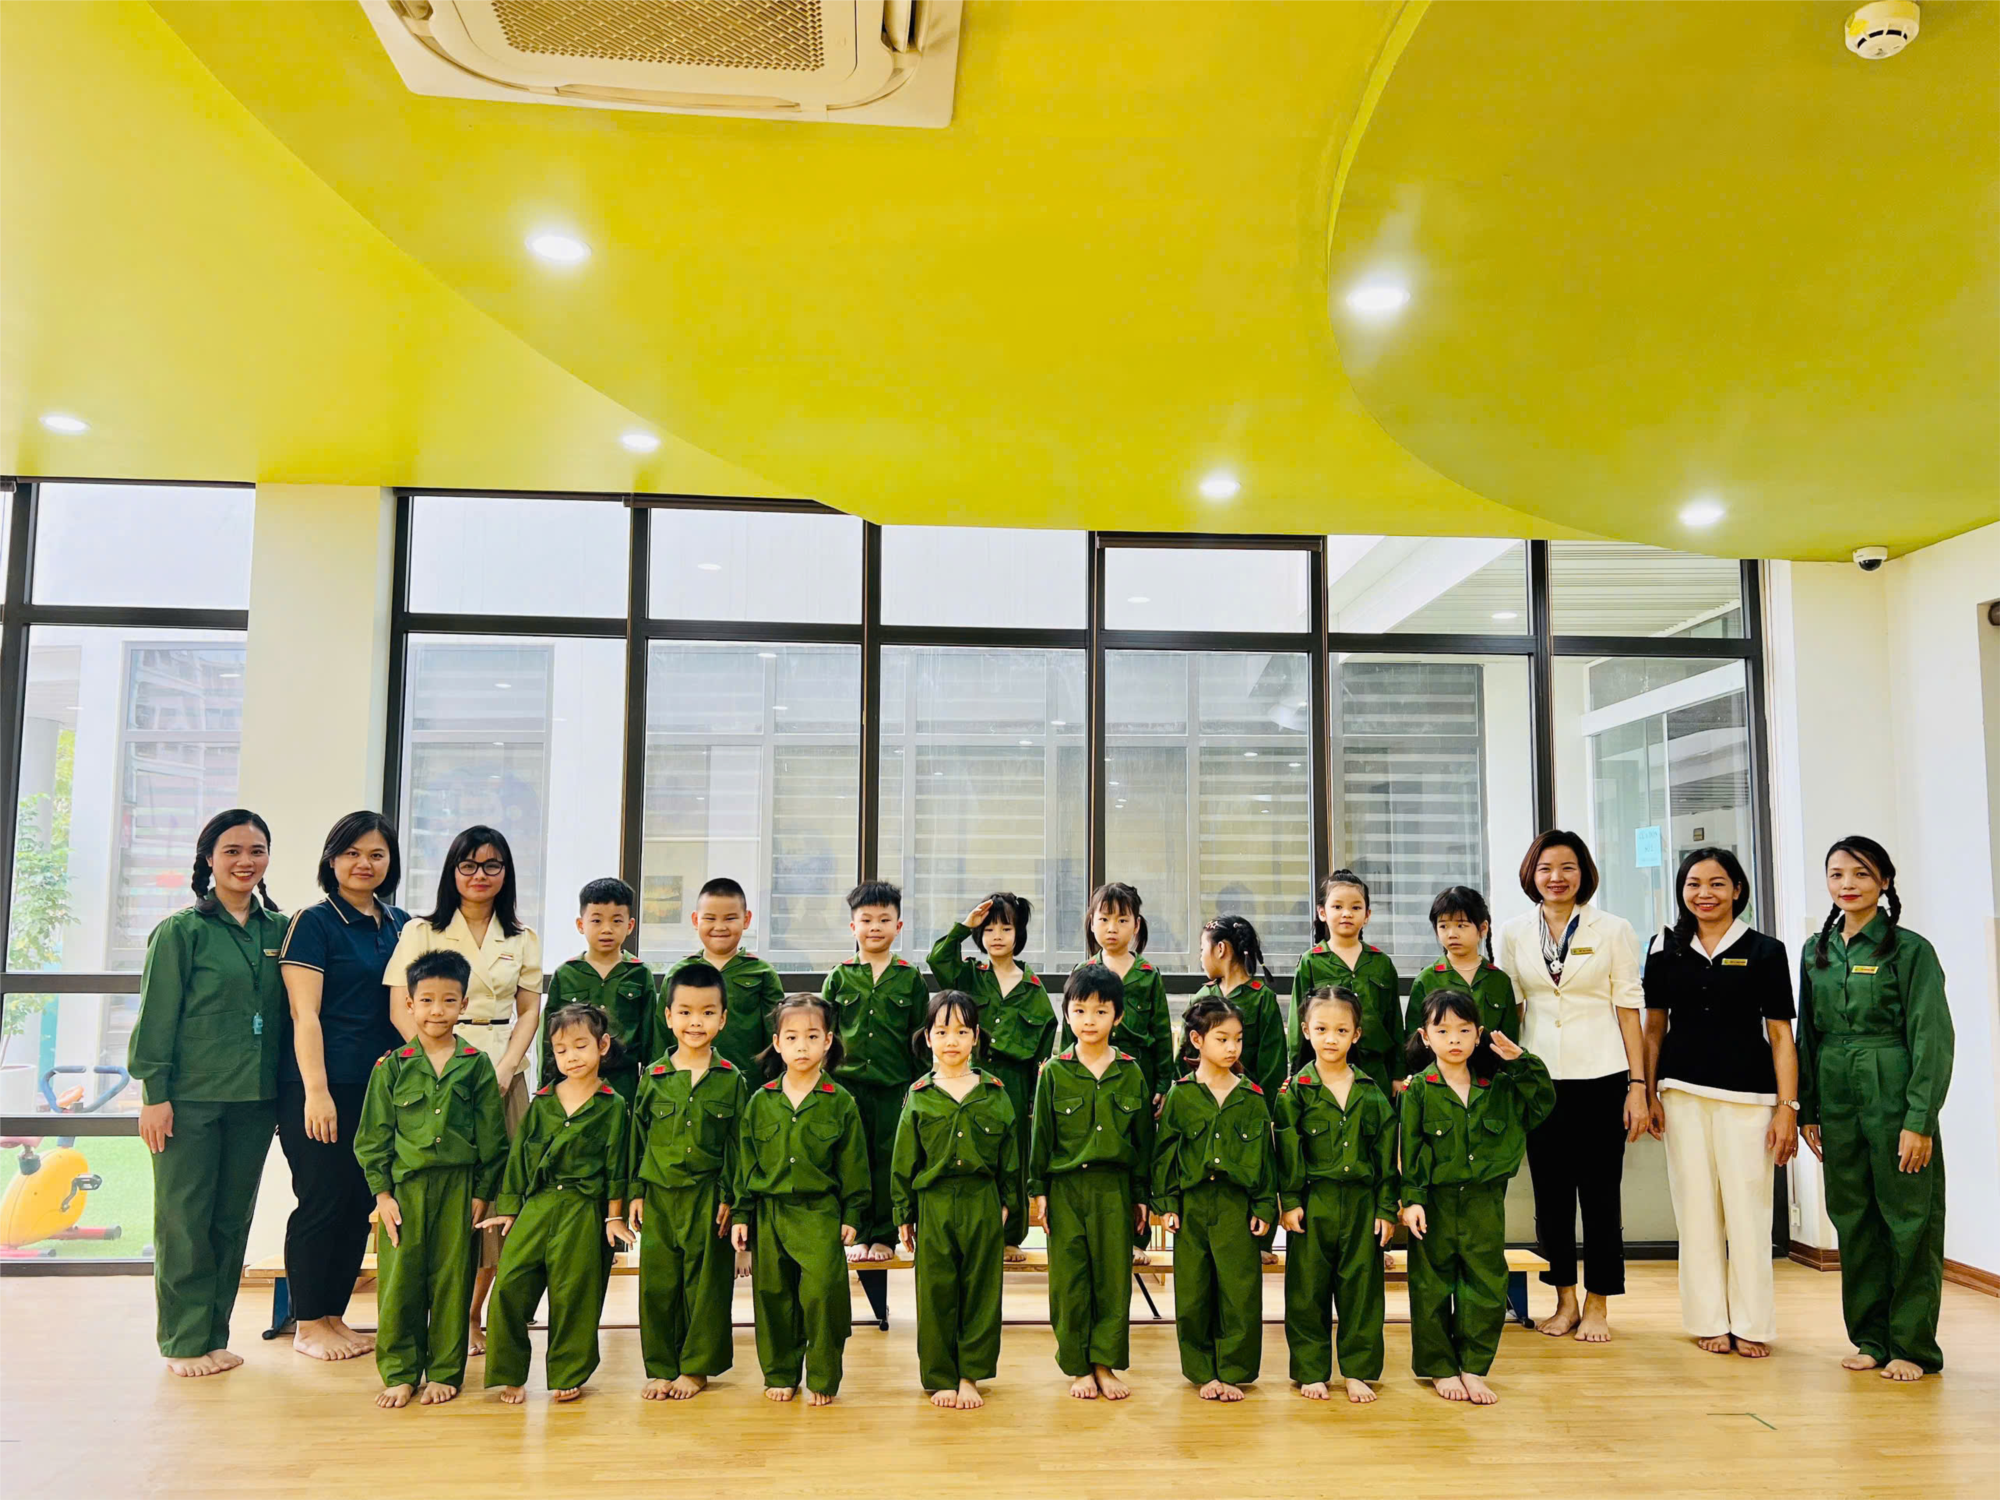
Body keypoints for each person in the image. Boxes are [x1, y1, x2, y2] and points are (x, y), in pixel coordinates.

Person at [128, 809, 287, 1379]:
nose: (246, 861)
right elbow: (157, 1017)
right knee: (184, 1220)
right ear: (208, 860)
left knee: (230, 1221)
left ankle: (213, 1335)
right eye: (232, 851)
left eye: (256, 850)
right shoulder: (181, 931)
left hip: (255, 1099)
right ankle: (182, 1340)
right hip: (187, 1100)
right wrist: (154, 1094)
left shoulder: (281, 930)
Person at [1798, 836, 1953, 1381]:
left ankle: (1912, 1346)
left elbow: (1932, 1037)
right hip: (1836, 1092)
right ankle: (1870, 1338)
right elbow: (1808, 1033)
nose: (1848, 884)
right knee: (1854, 1218)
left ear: (1884, 882)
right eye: (1837, 874)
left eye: (1861, 874)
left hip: (1892, 1089)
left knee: (1909, 1218)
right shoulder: (1815, 951)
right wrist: (1807, 1108)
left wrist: (1920, 1120)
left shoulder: (1910, 950)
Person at [384, 825, 543, 1351]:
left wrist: (508, 1067)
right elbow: (400, 1007)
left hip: (503, 1071)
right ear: (452, 871)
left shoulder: (521, 936)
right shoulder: (422, 931)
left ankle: (472, 1314)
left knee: (499, 1191)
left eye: (492, 865)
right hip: (435, 1074)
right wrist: (438, 1065)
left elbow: (528, 1011)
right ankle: (430, 1315)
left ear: (506, 873)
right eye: (468, 865)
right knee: (440, 1187)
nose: (480, 875)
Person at [1641, 847, 1798, 1358]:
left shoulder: (1766, 950)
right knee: (1695, 1211)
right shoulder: (1663, 948)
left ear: (1737, 890)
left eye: (1716, 883)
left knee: (1749, 1212)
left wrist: (1787, 1108)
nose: (1704, 894)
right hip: (1681, 1095)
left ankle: (1752, 1323)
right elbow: (1653, 1027)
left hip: (1750, 1098)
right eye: (1693, 884)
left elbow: (1781, 1036)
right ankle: (1707, 1319)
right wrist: (1647, 1090)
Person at [1495, 830, 1647, 1342]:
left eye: (1567, 868)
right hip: (1540, 1081)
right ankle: (1563, 1299)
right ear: (1531, 875)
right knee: (1551, 1197)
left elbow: (1629, 1010)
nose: (1556, 878)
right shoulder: (1514, 932)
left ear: (1583, 873)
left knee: (1601, 1196)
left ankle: (1598, 1301)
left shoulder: (1613, 929)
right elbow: (1515, 1009)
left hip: (1603, 1075)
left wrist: (1638, 1085)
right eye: (1545, 868)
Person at [276, 809, 410, 1362]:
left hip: (381, 1088)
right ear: (331, 860)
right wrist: (317, 1091)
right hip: (322, 1086)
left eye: (377, 854)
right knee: (322, 1199)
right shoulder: (314, 922)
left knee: (359, 1202)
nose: (364, 864)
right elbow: (303, 1014)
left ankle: (334, 1315)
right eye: (352, 853)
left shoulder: (401, 924)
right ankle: (308, 1322)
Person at [353, 950, 506, 1408]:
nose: (437, 1010)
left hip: (459, 1190)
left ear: (464, 1005)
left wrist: (483, 1193)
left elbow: (493, 1138)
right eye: (426, 1000)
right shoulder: (392, 1067)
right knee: (399, 1283)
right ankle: (400, 1372)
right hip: (406, 1192)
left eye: (448, 1000)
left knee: (452, 1281)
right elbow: (372, 1138)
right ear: (410, 1004)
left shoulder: (476, 1065)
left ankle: (444, 1372)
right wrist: (382, 1195)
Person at [1400, 990, 1555, 1405]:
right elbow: (1410, 1147)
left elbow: (1542, 1103)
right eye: (1442, 1030)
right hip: (1434, 1203)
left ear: (1479, 1034)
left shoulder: (1499, 1086)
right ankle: (1440, 1367)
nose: (1454, 1039)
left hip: (1484, 1201)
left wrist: (1521, 1062)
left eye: (1464, 1030)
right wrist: (1411, 1199)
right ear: (1425, 1036)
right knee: (1431, 1287)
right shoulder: (1419, 1089)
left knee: (1484, 1285)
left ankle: (1473, 1367)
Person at [478, 1002, 631, 1403]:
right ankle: (510, 1373)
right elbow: (519, 1158)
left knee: (575, 1293)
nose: (571, 1057)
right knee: (509, 1286)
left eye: (580, 1046)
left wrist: (613, 1218)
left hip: (583, 1209)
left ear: (602, 1045)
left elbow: (617, 1165)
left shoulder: (613, 1105)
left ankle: (569, 1372)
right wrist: (510, 1209)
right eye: (561, 1050)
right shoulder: (542, 1102)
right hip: (538, 1205)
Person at [732, 995, 870, 1405]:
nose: (802, 1046)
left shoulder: (841, 1102)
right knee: (773, 1297)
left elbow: (854, 1165)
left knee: (824, 1295)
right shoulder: (761, 1101)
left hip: (819, 1212)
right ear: (777, 1043)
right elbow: (746, 1164)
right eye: (791, 1037)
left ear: (828, 1041)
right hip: (770, 1212)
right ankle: (780, 1373)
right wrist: (741, 1213)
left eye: (812, 1036)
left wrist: (853, 1213)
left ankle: (823, 1377)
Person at [1028, 963, 1155, 1402]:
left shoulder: (1131, 1072)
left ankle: (1104, 1363)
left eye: (1101, 1012)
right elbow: (1041, 1137)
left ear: (1117, 1017)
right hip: (1066, 1190)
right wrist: (1038, 1191)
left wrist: (1141, 1196)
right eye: (1080, 1010)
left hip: (1114, 1189)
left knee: (1112, 1280)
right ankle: (1078, 1365)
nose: (1089, 1021)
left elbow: (1143, 1141)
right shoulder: (1053, 1072)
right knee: (1069, 1281)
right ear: (1066, 1014)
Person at [627, 961, 750, 1401]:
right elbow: (637, 1139)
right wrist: (635, 1192)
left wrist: (731, 1197)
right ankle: (661, 1366)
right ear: (668, 1016)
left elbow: (739, 1146)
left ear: (723, 1019)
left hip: (708, 1197)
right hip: (659, 1195)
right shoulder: (654, 1078)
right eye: (685, 1012)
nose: (695, 1022)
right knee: (657, 1285)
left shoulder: (731, 1079)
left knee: (706, 1285)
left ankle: (697, 1368)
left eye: (707, 1012)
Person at [891, 991, 1020, 1409]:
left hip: (982, 1200)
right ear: (928, 1037)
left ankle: (970, 1375)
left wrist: (1007, 1203)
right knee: (936, 1292)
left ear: (975, 1037)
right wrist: (903, 1213)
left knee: (982, 1290)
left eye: (962, 1031)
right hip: (935, 1202)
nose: (952, 1040)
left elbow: (1010, 1156)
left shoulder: (994, 1093)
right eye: (943, 1031)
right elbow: (903, 1159)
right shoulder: (919, 1095)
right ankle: (940, 1375)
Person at [1276, 988, 1398, 1404]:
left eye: (1342, 1030)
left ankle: (1358, 1371)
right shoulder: (1295, 1092)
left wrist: (1386, 1208)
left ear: (1356, 1035)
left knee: (1362, 1291)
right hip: (1314, 1203)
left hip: (1362, 1204)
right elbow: (1286, 1152)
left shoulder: (1371, 1092)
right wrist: (1290, 1202)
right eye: (1322, 1028)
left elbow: (1386, 1157)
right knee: (1306, 1291)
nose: (1331, 1038)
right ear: (1305, 1030)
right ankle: (1311, 1370)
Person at [1153, 996, 1276, 1402]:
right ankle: (1202, 1371)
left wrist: (1263, 1206)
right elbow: (1165, 1155)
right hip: (1192, 1206)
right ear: (1197, 1040)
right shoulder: (1182, 1095)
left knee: (1240, 1292)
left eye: (1238, 1039)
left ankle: (1234, 1371)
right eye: (1222, 1039)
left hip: (1236, 1207)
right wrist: (1167, 1204)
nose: (1232, 1048)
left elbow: (1265, 1159)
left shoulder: (1252, 1097)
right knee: (1193, 1292)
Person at [926, 892, 1051, 1260]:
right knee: (971, 1152)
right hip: (972, 1077)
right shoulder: (970, 976)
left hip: (1015, 1083)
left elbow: (1044, 1047)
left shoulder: (1033, 988)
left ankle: (1011, 1236)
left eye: (1006, 928)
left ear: (1019, 934)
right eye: (989, 928)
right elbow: (938, 959)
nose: (997, 935)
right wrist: (965, 926)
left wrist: (1036, 1098)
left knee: (1013, 1157)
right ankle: (969, 1231)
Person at [820, 880, 929, 1264]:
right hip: (846, 1086)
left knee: (888, 1161)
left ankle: (882, 1234)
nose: (875, 927)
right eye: (866, 920)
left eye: (884, 919)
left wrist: (918, 1087)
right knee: (851, 1160)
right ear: (853, 927)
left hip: (893, 1086)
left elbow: (920, 1039)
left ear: (898, 926)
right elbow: (825, 1035)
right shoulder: (839, 977)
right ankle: (856, 1231)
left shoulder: (910, 978)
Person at [539, 877, 655, 1102]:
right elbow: (548, 1038)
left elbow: (652, 1039)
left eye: (616, 921)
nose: (607, 929)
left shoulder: (640, 974)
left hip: (624, 1083)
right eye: (596, 920)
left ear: (630, 925)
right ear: (580, 924)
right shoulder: (566, 974)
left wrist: (651, 1090)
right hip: (573, 1081)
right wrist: (546, 1088)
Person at [660, 876, 784, 1079]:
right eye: (710, 919)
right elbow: (661, 1037)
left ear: (746, 920)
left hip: (748, 1084)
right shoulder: (678, 974)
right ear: (695, 920)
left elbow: (776, 1038)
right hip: (686, 1084)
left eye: (730, 918)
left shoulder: (762, 973)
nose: (719, 927)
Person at [1068, 883, 1173, 1110]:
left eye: (1122, 920)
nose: (1112, 928)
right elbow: (1070, 1031)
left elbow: (1162, 1034)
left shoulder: (1149, 976)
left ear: (1136, 925)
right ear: (1092, 923)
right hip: (1090, 1071)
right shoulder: (1082, 972)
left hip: (1139, 1072)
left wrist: (1164, 1084)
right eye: (1104, 919)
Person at [1289, 870, 1402, 1082]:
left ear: (1367, 915)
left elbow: (1394, 1021)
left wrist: (1398, 1074)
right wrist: (1296, 1074)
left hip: (1375, 1070)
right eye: (1337, 907)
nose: (1347, 913)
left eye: (1356, 907)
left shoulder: (1381, 963)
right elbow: (1298, 1022)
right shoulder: (1311, 962)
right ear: (1322, 912)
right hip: (1324, 1068)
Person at [1405, 887, 1520, 1060]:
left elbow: (1510, 1038)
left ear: (1483, 928)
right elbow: (1414, 1040)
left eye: (1461, 925)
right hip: (1440, 1073)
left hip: (1490, 1073)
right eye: (1443, 926)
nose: (1452, 934)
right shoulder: (1426, 979)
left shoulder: (1499, 980)